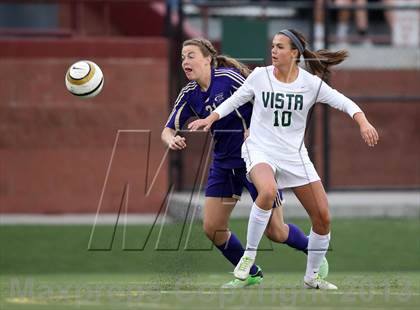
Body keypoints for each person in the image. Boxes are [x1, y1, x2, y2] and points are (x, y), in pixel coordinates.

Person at [188, 30, 379, 290]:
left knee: (323, 218)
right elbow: (235, 100)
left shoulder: (310, 84)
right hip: (259, 149)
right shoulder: (260, 76)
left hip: (293, 155)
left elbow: (345, 103)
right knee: (266, 190)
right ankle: (248, 257)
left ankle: (312, 277)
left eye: (280, 47)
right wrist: (211, 118)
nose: (274, 51)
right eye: (273, 46)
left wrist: (363, 122)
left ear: (295, 53)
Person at [161, 38, 328, 288]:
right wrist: (171, 140)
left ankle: (312, 249)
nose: (186, 61)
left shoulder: (228, 78)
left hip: (258, 160)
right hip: (224, 163)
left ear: (208, 59)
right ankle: (251, 272)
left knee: (277, 232)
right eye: (183, 57)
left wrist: (255, 128)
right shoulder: (190, 94)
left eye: (191, 55)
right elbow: (166, 129)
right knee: (213, 227)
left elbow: (264, 97)